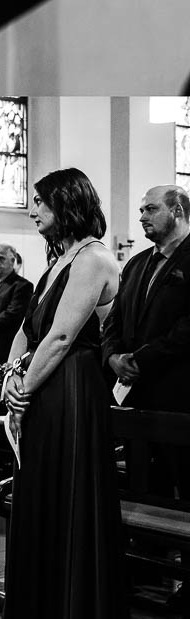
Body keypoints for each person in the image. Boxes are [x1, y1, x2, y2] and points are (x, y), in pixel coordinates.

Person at [1, 168, 129, 619]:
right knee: (38, 498)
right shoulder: (59, 259)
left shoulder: (95, 257)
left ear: (66, 202)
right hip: (45, 387)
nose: (34, 212)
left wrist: (22, 392)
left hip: (73, 392)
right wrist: (12, 376)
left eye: (41, 203)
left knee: (67, 500)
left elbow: (61, 337)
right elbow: (28, 331)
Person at [103, 186, 190, 500]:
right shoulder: (137, 263)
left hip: (178, 393)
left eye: (150, 209)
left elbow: (186, 329)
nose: (141, 217)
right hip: (136, 394)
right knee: (146, 483)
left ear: (177, 210)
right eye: (141, 210)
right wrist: (112, 356)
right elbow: (114, 318)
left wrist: (142, 359)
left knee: (184, 479)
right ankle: (150, 546)